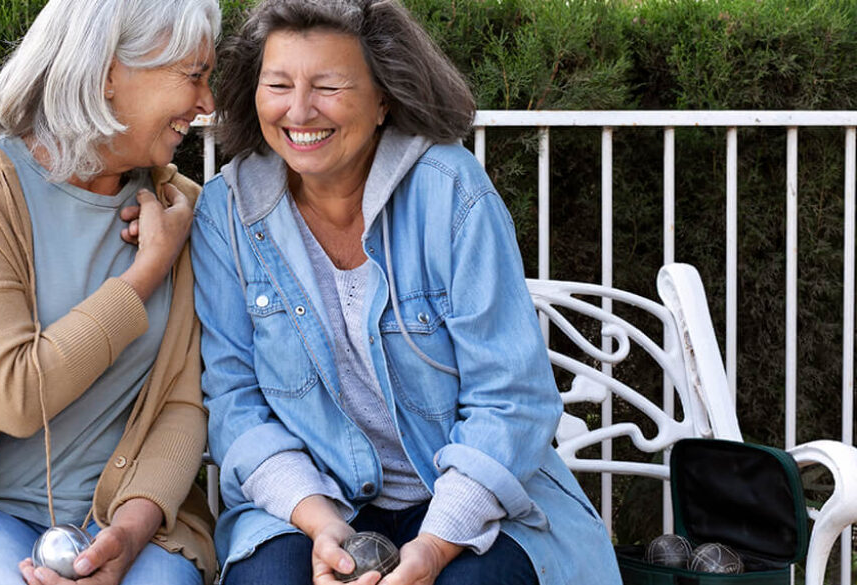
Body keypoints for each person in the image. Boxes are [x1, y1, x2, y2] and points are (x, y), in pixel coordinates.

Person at [190, 1, 622, 584]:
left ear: (383, 99)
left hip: (466, 495)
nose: (298, 110)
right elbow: (237, 404)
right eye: (279, 84)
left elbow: (511, 398)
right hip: (314, 499)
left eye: (328, 85)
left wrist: (435, 546)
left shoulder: (451, 190)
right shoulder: (226, 214)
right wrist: (321, 527)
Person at [0, 1, 220, 584]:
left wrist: (127, 538)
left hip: (131, 522)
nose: (207, 103)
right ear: (107, 74)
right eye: (194, 75)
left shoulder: (179, 205)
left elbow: (184, 406)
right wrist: (147, 270)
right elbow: (17, 394)